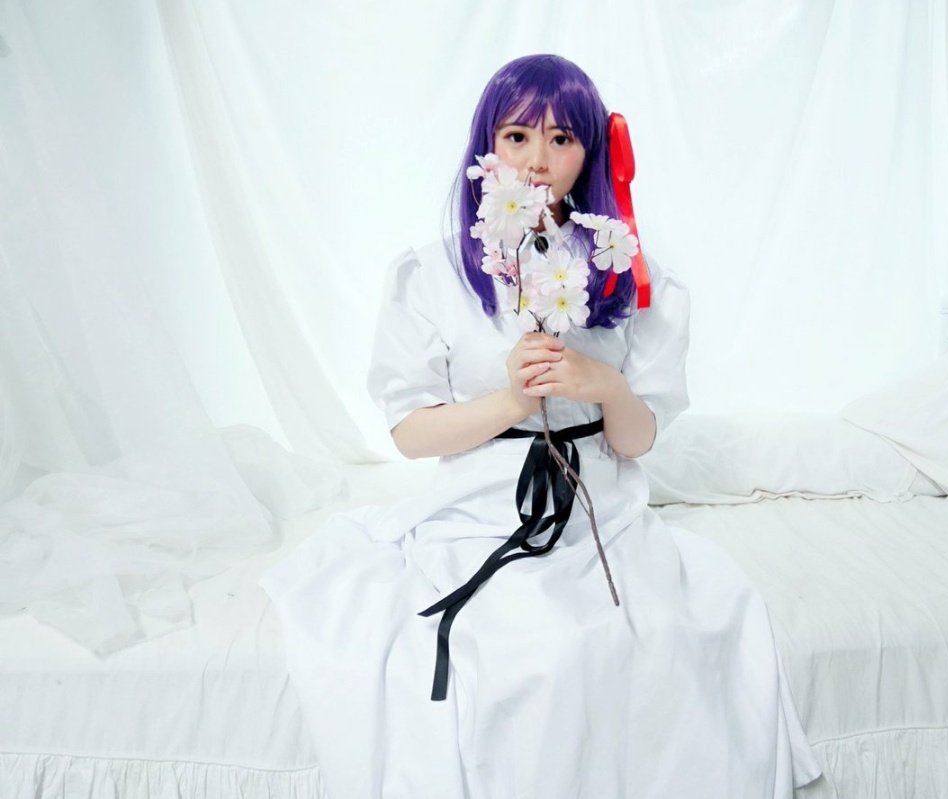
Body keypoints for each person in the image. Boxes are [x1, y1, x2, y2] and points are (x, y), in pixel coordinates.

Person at [259, 53, 822, 799]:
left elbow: (637, 441)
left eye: (562, 139)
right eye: (517, 136)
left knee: (646, 637)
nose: (536, 160)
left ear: (589, 153)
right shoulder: (433, 275)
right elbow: (410, 433)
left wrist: (603, 384)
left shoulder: (628, 270)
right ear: (486, 146)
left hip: (601, 512)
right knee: (516, 649)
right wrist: (512, 403)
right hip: (476, 506)